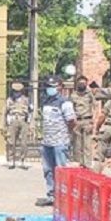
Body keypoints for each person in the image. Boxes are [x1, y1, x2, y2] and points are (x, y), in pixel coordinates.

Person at [35, 75, 76, 207]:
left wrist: (65, 135)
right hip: (47, 142)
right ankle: (51, 195)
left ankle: (63, 197)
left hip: (60, 142)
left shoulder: (65, 102)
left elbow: (71, 121)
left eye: (52, 86)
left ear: (60, 87)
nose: (49, 89)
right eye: (48, 86)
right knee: (48, 170)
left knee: (61, 170)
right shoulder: (46, 101)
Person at [3, 81, 32, 170]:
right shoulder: (9, 100)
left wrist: (31, 125)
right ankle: (12, 161)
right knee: (11, 142)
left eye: (18, 91)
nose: (16, 93)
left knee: (24, 142)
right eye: (15, 91)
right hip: (12, 121)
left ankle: (23, 161)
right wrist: (4, 125)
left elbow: (31, 113)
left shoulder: (26, 100)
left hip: (23, 121)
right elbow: (4, 113)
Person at [70, 75, 95, 167]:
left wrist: (92, 123)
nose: (82, 84)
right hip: (77, 121)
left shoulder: (89, 95)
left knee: (87, 145)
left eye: (83, 83)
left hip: (87, 120)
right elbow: (71, 109)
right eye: (80, 83)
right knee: (77, 145)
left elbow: (95, 109)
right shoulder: (73, 95)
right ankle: (79, 164)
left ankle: (87, 165)